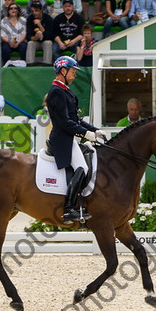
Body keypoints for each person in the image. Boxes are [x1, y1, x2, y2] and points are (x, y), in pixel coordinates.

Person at [47, 56, 104, 222]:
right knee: (82, 167)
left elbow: (76, 120)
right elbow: (64, 122)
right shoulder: (56, 91)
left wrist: (95, 130)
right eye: (72, 71)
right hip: (62, 139)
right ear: (63, 71)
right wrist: (85, 134)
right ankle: (69, 209)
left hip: (70, 137)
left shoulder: (64, 90)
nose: (75, 75)